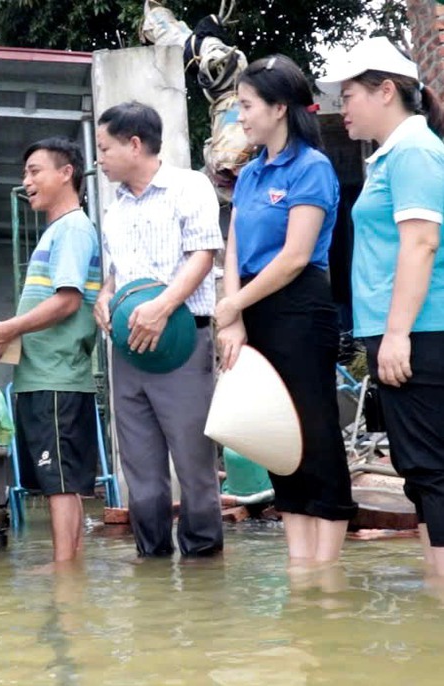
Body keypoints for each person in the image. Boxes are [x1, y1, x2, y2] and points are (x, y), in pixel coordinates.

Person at [215, 55, 358, 565]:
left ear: (279, 108)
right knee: (274, 430)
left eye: (247, 106)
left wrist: (233, 304)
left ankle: (328, 564)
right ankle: (301, 561)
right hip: (254, 306)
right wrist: (232, 316)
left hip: (300, 305)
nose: (241, 117)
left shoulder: (312, 167)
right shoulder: (251, 175)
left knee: (313, 428)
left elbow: (296, 256)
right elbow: (232, 248)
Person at [318, 37, 444, 577]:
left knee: (431, 471)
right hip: (407, 331)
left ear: (386, 90)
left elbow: (421, 243)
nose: (340, 108)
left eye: (349, 95)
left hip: (421, 331)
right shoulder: (392, 155)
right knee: (422, 473)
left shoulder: (413, 150)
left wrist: (397, 335)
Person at [92, 102, 225, 558]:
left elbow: (204, 255)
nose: (100, 158)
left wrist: (163, 307)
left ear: (134, 144)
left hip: (182, 344)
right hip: (128, 351)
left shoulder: (189, 187)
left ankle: (206, 572)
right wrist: (105, 296)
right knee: (141, 473)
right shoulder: (115, 206)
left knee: (194, 467)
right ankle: (150, 570)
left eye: (105, 148)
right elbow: (117, 271)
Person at [0, 137, 101, 563]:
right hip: (43, 375)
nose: (26, 182)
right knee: (61, 482)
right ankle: (69, 568)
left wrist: (4, 329)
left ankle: (65, 576)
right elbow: (44, 312)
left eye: (35, 171)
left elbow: (67, 302)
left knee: (60, 484)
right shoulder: (57, 233)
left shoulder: (74, 229)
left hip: (56, 378)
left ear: (67, 173)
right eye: (25, 173)